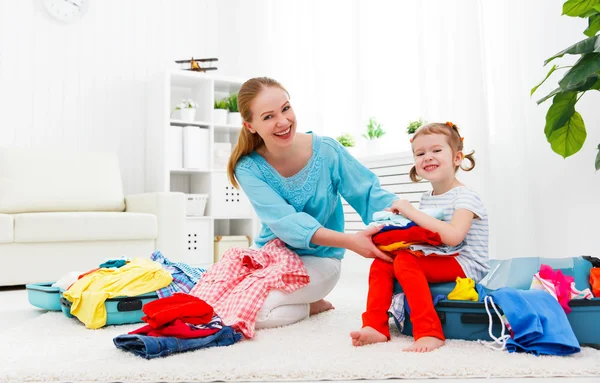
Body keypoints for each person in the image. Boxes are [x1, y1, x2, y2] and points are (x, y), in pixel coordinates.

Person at [227, 76, 398, 329]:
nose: (283, 122)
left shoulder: (327, 151)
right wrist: (352, 242)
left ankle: (308, 302)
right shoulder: (248, 167)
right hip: (269, 256)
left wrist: (410, 217)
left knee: (253, 312)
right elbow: (287, 223)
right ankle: (311, 305)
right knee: (225, 303)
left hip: (320, 260)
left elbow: (369, 195)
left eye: (286, 109)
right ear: (250, 125)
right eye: (268, 117)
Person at [350, 122, 489, 352]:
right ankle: (375, 326)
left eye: (436, 150)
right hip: (440, 255)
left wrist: (412, 212)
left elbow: (453, 236)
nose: (427, 157)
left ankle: (430, 331)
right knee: (381, 262)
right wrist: (397, 222)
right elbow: (426, 236)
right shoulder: (428, 197)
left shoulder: (466, 197)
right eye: (420, 153)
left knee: (405, 261)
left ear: (457, 158)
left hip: (465, 263)